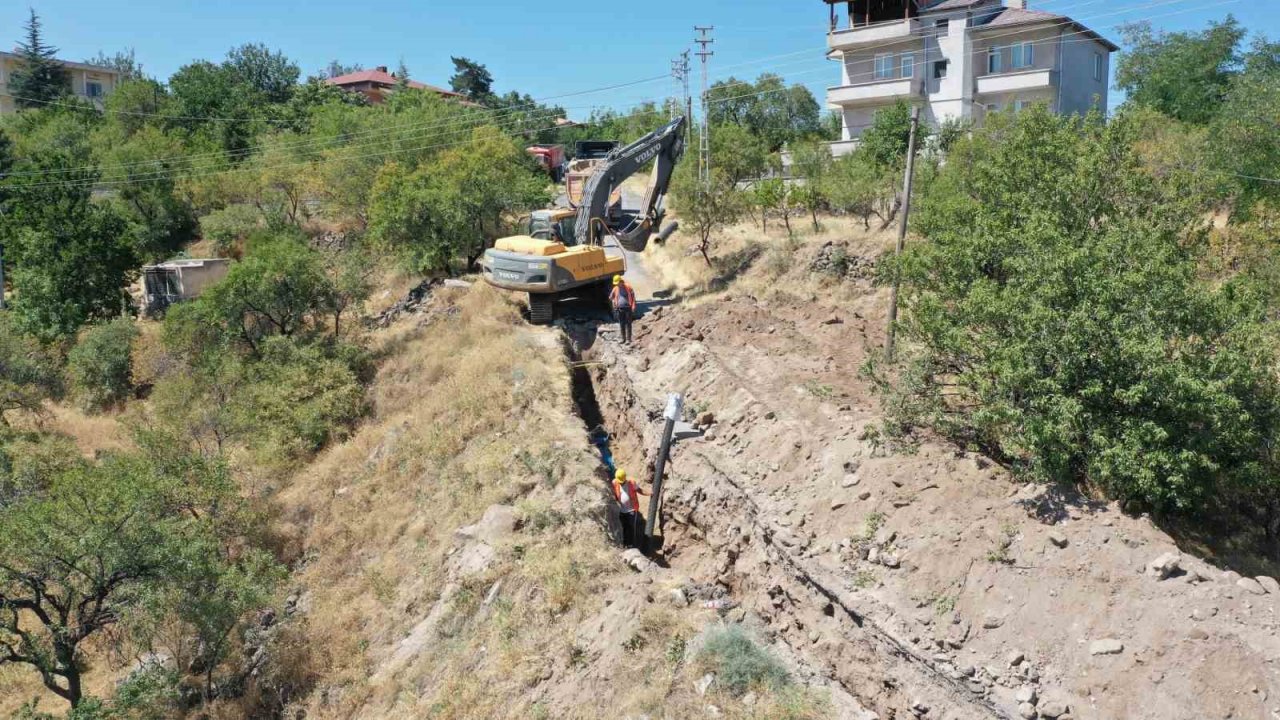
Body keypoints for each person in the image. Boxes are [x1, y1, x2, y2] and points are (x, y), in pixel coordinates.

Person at [612, 468, 648, 548]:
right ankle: (625, 543)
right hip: (622, 510)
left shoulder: (632, 484)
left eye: (622, 481)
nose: (621, 483)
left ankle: (634, 545)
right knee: (624, 528)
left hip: (632, 511)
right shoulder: (615, 483)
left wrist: (648, 493)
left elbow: (639, 490)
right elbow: (613, 492)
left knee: (632, 528)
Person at [609, 275, 636, 345]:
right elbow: (611, 297)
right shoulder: (615, 288)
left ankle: (628, 339)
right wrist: (613, 302)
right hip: (619, 309)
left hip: (628, 308)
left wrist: (633, 306)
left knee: (628, 324)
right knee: (622, 324)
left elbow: (633, 297)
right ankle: (623, 339)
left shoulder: (628, 287)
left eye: (617, 283)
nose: (617, 284)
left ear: (621, 281)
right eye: (616, 283)